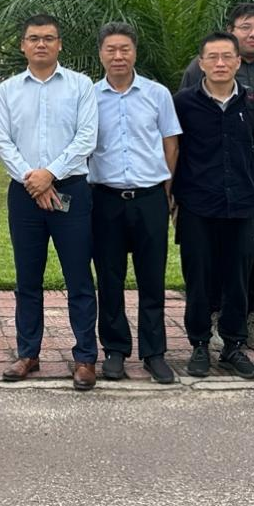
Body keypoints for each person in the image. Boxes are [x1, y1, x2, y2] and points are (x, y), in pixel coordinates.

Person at [0, 14, 99, 390]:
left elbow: (86, 137)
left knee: (79, 277)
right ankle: (28, 353)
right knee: (27, 278)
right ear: (23, 45)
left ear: (59, 44)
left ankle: (85, 357)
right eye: (34, 38)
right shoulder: (8, 90)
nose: (41, 44)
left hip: (71, 190)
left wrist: (50, 174)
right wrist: (34, 180)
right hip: (24, 194)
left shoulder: (81, 86)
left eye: (49, 38)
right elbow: (2, 141)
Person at [180, 2, 254, 353]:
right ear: (231, 30)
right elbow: (185, 125)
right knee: (213, 252)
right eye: (245, 26)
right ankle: (215, 316)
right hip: (213, 181)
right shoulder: (200, 69)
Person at [87, 23, 182, 385]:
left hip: (149, 198)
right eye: (111, 49)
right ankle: (115, 350)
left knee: (152, 278)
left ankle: (154, 353)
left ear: (135, 52)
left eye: (124, 49)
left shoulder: (157, 94)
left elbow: (170, 144)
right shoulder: (89, 97)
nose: (118, 56)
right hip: (105, 198)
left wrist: (166, 190)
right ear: (101, 54)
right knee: (109, 278)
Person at [172, 31, 254, 380]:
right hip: (197, 204)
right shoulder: (183, 103)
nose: (220, 63)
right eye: (212, 57)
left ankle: (232, 346)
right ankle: (199, 344)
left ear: (238, 62)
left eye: (227, 56)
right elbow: (175, 149)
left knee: (237, 279)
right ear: (201, 63)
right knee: (198, 278)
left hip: (241, 205)